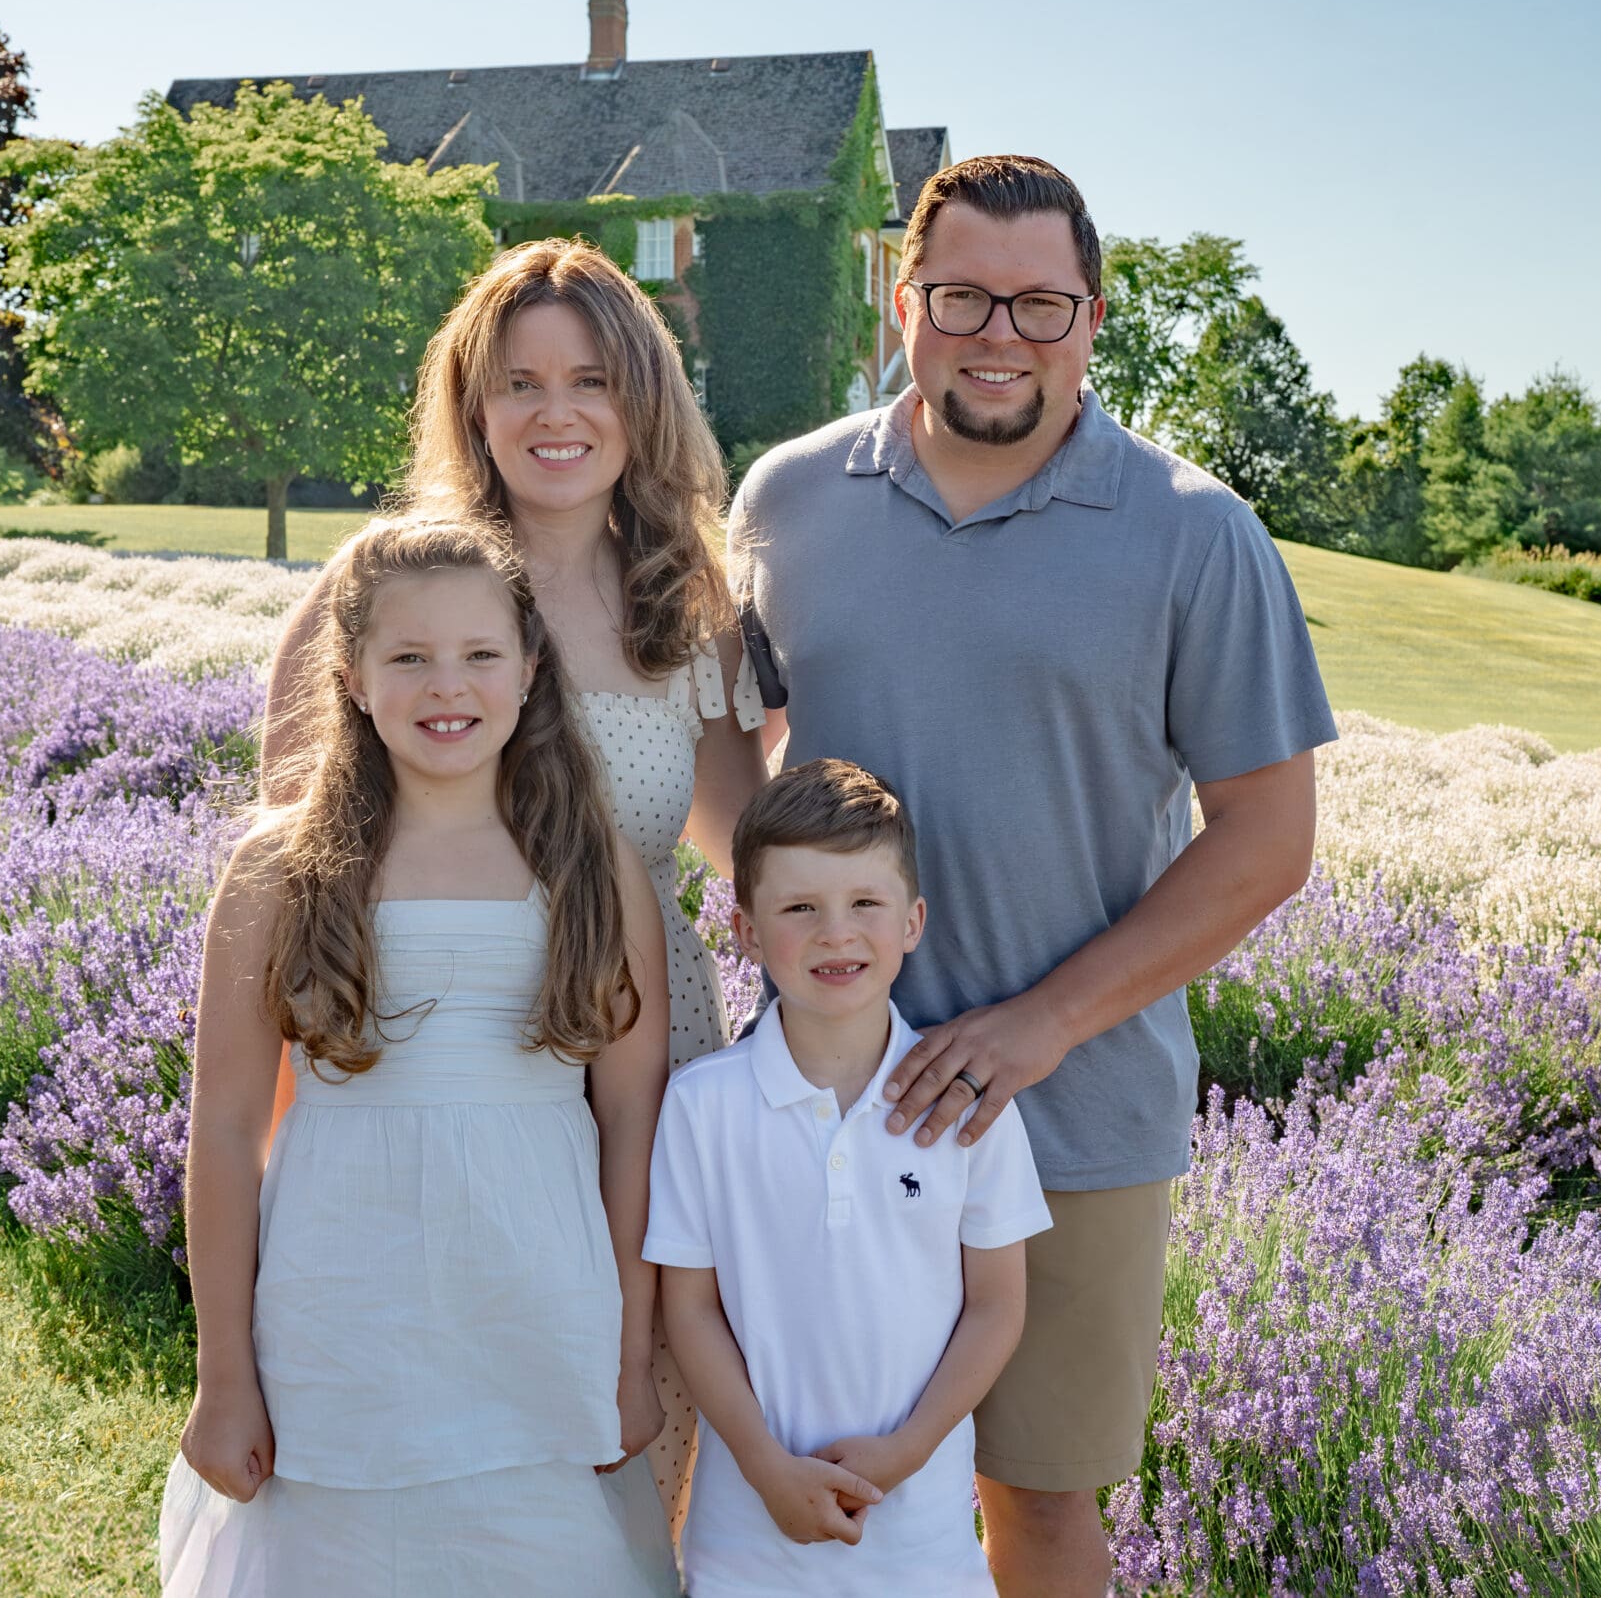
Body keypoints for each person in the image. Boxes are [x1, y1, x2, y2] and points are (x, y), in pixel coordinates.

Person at [730, 155, 1336, 1596]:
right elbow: (736, 766)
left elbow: (1268, 835)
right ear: (907, 298)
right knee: (791, 1479)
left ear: (1093, 317)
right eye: (963, 295)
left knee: (1043, 1511)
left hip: (1076, 1122)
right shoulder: (788, 500)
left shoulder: (1195, 530)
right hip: (815, 1106)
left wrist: (1037, 1024)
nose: (1000, 332)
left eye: (1041, 304)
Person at [261, 238, 767, 1532]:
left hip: (644, 1081)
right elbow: (292, 872)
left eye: (591, 379)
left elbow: (742, 840)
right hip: (430, 1079)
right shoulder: (387, 589)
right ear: (473, 407)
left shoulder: (690, 603)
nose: (556, 412)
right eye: (521, 381)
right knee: (433, 1456)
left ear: (640, 398)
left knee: (616, 1457)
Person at [159, 516, 677, 1596]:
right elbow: (222, 1128)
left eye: (482, 654)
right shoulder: (280, 867)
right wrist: (223, 1375)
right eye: (409, 658)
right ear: (349, 677)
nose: (450, 686)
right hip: (340, 1310)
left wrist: (629, 1354)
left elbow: (632, 1118)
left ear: (531, 671)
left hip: (539, 1303)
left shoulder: (590, 865)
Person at [645, 758, 1051, 1596]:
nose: (836, 933)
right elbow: (687, 1308)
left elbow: (997, 1304)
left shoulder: (969, 1106)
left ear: (913, 920)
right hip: (746, 1549)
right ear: (747, 932)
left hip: (923, 1550)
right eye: (800, 908)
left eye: (865, 903)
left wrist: (905, 1453)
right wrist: (764, 1466)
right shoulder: (702, 1107)